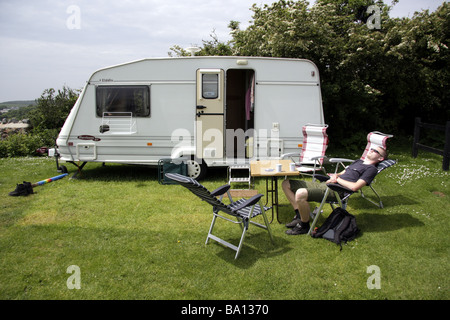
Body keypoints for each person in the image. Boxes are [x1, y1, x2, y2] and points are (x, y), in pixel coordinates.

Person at [281, 146, 388, 235]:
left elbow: (355, 187)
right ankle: (300, 215)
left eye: (376, 151)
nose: (372, 150)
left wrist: (337, 180)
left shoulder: (371, 170)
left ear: (380, 158)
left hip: (336, 191)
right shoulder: (359, 161)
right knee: (286, 183)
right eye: (372, 149)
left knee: (300, 193)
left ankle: (304, 226)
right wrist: (335, 175)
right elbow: (342, 173)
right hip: (327, 184)